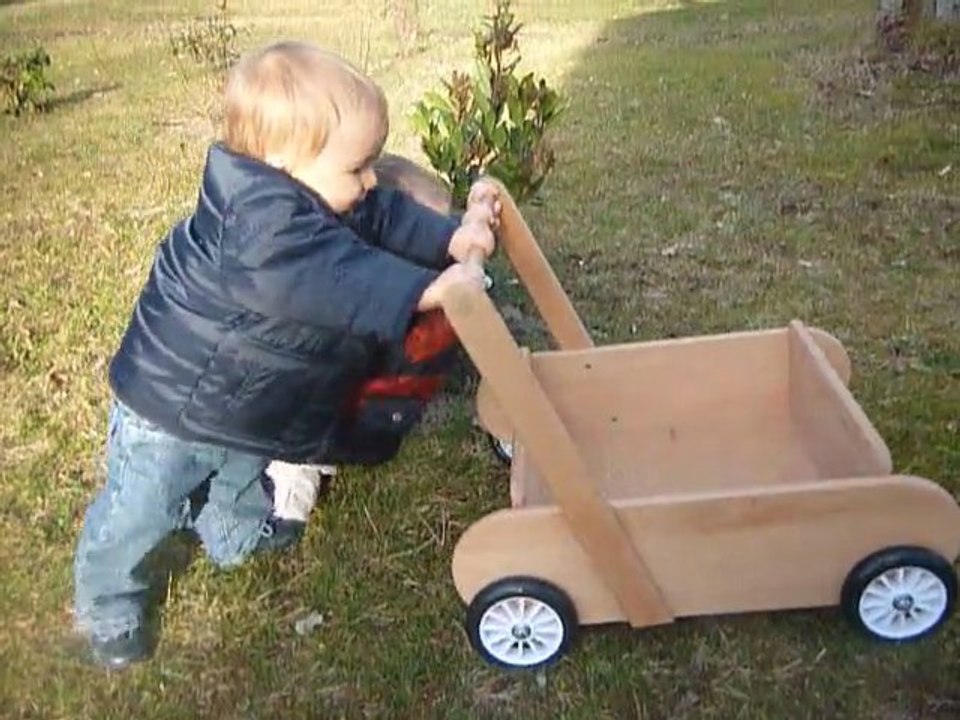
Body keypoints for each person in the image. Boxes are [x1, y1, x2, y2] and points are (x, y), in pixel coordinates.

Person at [73, 40, 500, 670]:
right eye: (356, 167)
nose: (370, 180)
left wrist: (450, 234)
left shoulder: (320, 194)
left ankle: (234, 536)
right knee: (142, 507)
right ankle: (105, 602)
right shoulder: (258, 229)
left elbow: (383, 216)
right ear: (282, 162)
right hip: (172, 406)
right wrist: (427, 288)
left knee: (241, 477)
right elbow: (338, 278)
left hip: (248, 402)